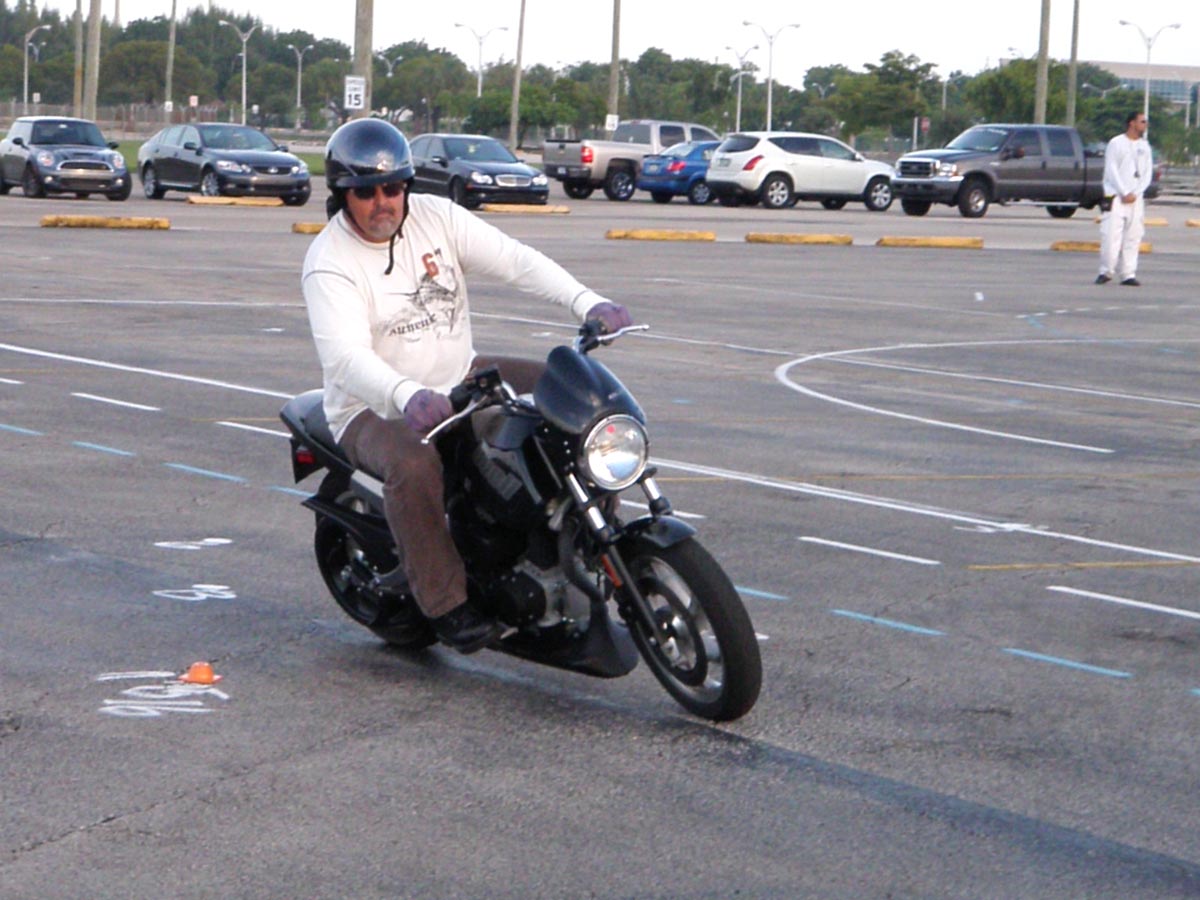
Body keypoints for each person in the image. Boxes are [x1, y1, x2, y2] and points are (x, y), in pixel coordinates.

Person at [301, 119, 632, 654]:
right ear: (342, 195)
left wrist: (586, 302)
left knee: (574, 397)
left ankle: (588, 536)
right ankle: (446, 604)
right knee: (414, 465)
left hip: (459, 376)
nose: (383, 202)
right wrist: (407, 394)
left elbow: (516, 261)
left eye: (393, 187)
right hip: (373, 407)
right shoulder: (329, 262)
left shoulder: (437, 217)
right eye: (366, 192)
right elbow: (345, 357)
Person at [1096, 111, 1153, 287]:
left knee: (1133, 236)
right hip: (1116, 197)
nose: (1145, 125)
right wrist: (1124, 192)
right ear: (1132, 123)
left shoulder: (1145, 146)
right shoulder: (1116, 143)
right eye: (1142, 121)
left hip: (1136, 199)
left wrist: (1136, 192)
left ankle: (1128, 273)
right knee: (1111, 235)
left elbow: (1147, 173)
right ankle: (1106, 271)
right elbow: (1111, 170)